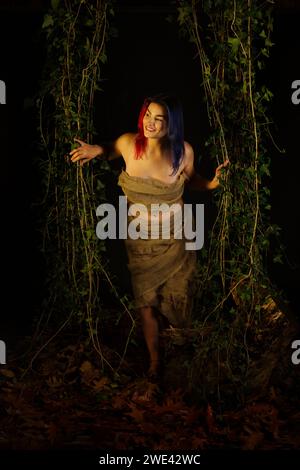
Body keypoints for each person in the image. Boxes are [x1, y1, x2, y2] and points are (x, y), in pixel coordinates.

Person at [70, 93, 229, 379]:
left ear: (172, 124)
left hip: (175, 239)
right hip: (140, 240)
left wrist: (215, 182)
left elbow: (192, 181)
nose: (150, 123)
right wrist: (95, 149)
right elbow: (109, 149)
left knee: (180, 297)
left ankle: (185, 355)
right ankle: (155, 363)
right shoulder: (129, 144)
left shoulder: (183, 151)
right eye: (147, 115)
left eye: (159, 118)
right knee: (146, 302)